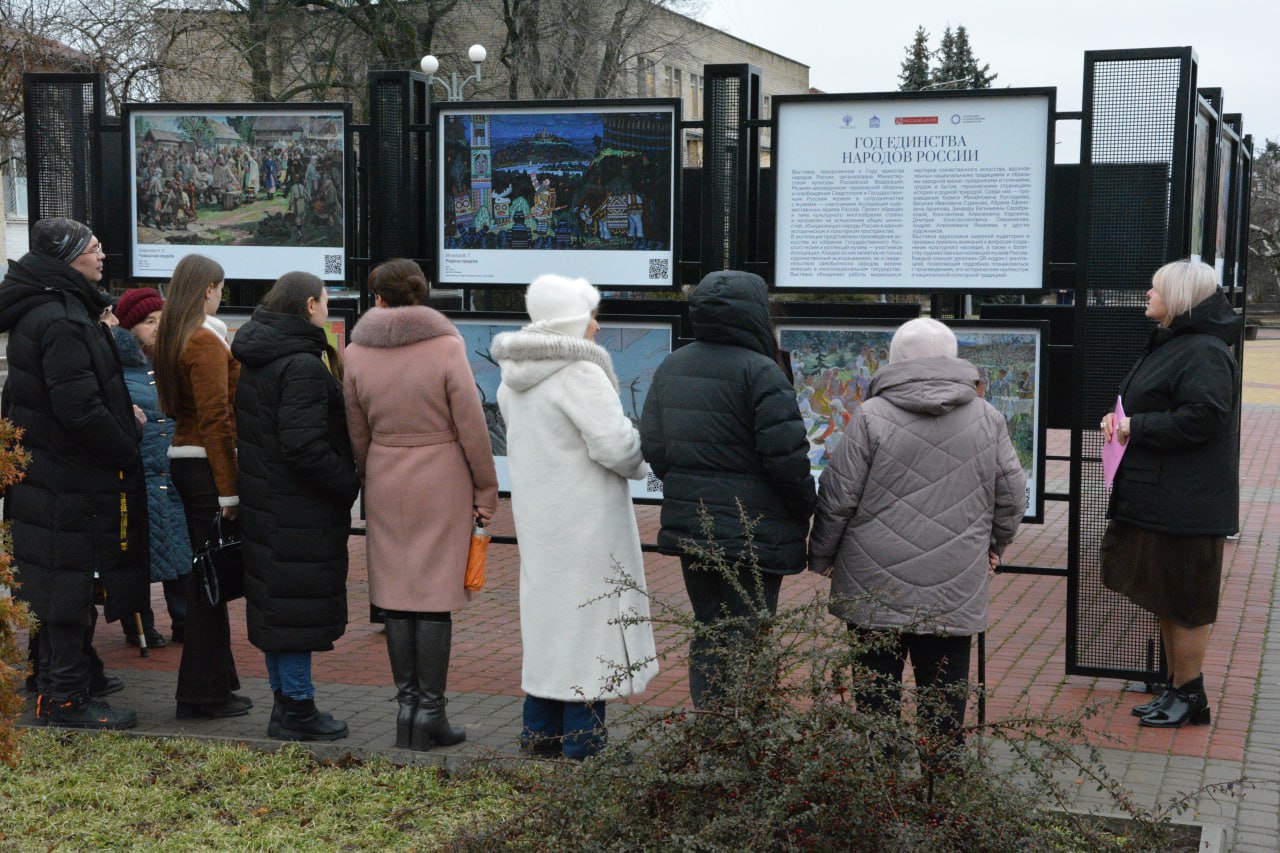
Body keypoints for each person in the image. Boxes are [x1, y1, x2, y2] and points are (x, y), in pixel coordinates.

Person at [807, 318, 1026, 762]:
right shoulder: (989, 417)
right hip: (954, 580)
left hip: (873, 580)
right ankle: (940, 791)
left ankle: (880, 785)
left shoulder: (870, 416)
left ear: (895, 360)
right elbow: (1013, 494)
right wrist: (995, 547)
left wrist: (821, 555)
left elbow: (837, 495)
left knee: (876, 697)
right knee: (945, 697)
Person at [491, 274, 658, 759]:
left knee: (550, 623)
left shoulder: (514, 378)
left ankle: (539, 733)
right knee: (592, 625)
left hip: (542, 520)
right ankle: (585, 743)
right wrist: (640, 454)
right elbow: (615, 446)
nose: (598, 327)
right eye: (590, 316)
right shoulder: (579, 374)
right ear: (570, 321)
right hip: (588, 522)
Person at [640, 270, 815, 710]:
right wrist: (803, 508)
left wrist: (689, 489)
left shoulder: (672, 365)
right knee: (748, 637)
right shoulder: (763, 373)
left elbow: (655, 446)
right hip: (754, 534)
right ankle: (742, 744)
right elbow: (787, 460)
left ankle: (711, 730)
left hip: (692, 527)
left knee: (709, 631)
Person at [343, 259, 498, 750]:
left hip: (386, 475)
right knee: (433, 596)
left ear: (380, 299)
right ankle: (431, 712)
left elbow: (356, 430)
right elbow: (472, 425)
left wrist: (372, 475)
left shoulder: (357, 352)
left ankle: (406, 709)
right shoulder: (446, 346)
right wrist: (485, 487)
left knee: (394, 595)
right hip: (441, 474)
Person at [0, 218, 146, 729]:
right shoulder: (62, 319)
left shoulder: (46, 310)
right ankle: (66, 698)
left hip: (49, 477)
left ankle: (57, 681)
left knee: (55, 581)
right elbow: (78, 408)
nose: (102, 256)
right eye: (94, 247)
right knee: (69, 586)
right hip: (70, 480)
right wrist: (124, 445)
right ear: (68, 257)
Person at [1100, 260, 1241, 728]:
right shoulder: (1173, 342)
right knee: (1166, 595)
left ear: (1179, 297)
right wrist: (1118, 420)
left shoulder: (1203, 351)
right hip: (1161, 497)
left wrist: (1136, 426)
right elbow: (1153, 403)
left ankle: (1191, 694)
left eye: (1155, 287)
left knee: (1187, 601)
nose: (1147, 292)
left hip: (1188, 503)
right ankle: (1176, 688)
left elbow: (1204, 417)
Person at [232, 272, 359, 742]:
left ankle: (284, 707)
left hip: (268, 504)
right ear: (309, 305)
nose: (327, 308)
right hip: (299, 511)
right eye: (325, 301)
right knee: (294, 614)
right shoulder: (302, 364)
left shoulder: (261, 355)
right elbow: (305, 445)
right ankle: (300, 709)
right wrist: (346, 483)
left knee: (276, 610)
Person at [153, 253, 250, 720]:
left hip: (186, 461)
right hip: (206, 468)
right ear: (207, 289)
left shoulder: (175, 336)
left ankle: (218, 684)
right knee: (209, 585)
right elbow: (217, 419)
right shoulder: (205, 341)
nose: (221, 296)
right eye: (220, 288)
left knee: (205, 578)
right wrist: (229, 491)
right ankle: (203, 695)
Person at [113, 287, 190, 648]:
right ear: (130, 328)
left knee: (180, 551)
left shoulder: (173, 363)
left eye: (161, 319)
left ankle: (186, 622)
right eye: (148, 321)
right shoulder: (117, 372)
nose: (158, 327)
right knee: (138, 557)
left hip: (173, 477)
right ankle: (139, 626)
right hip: (138, 479)